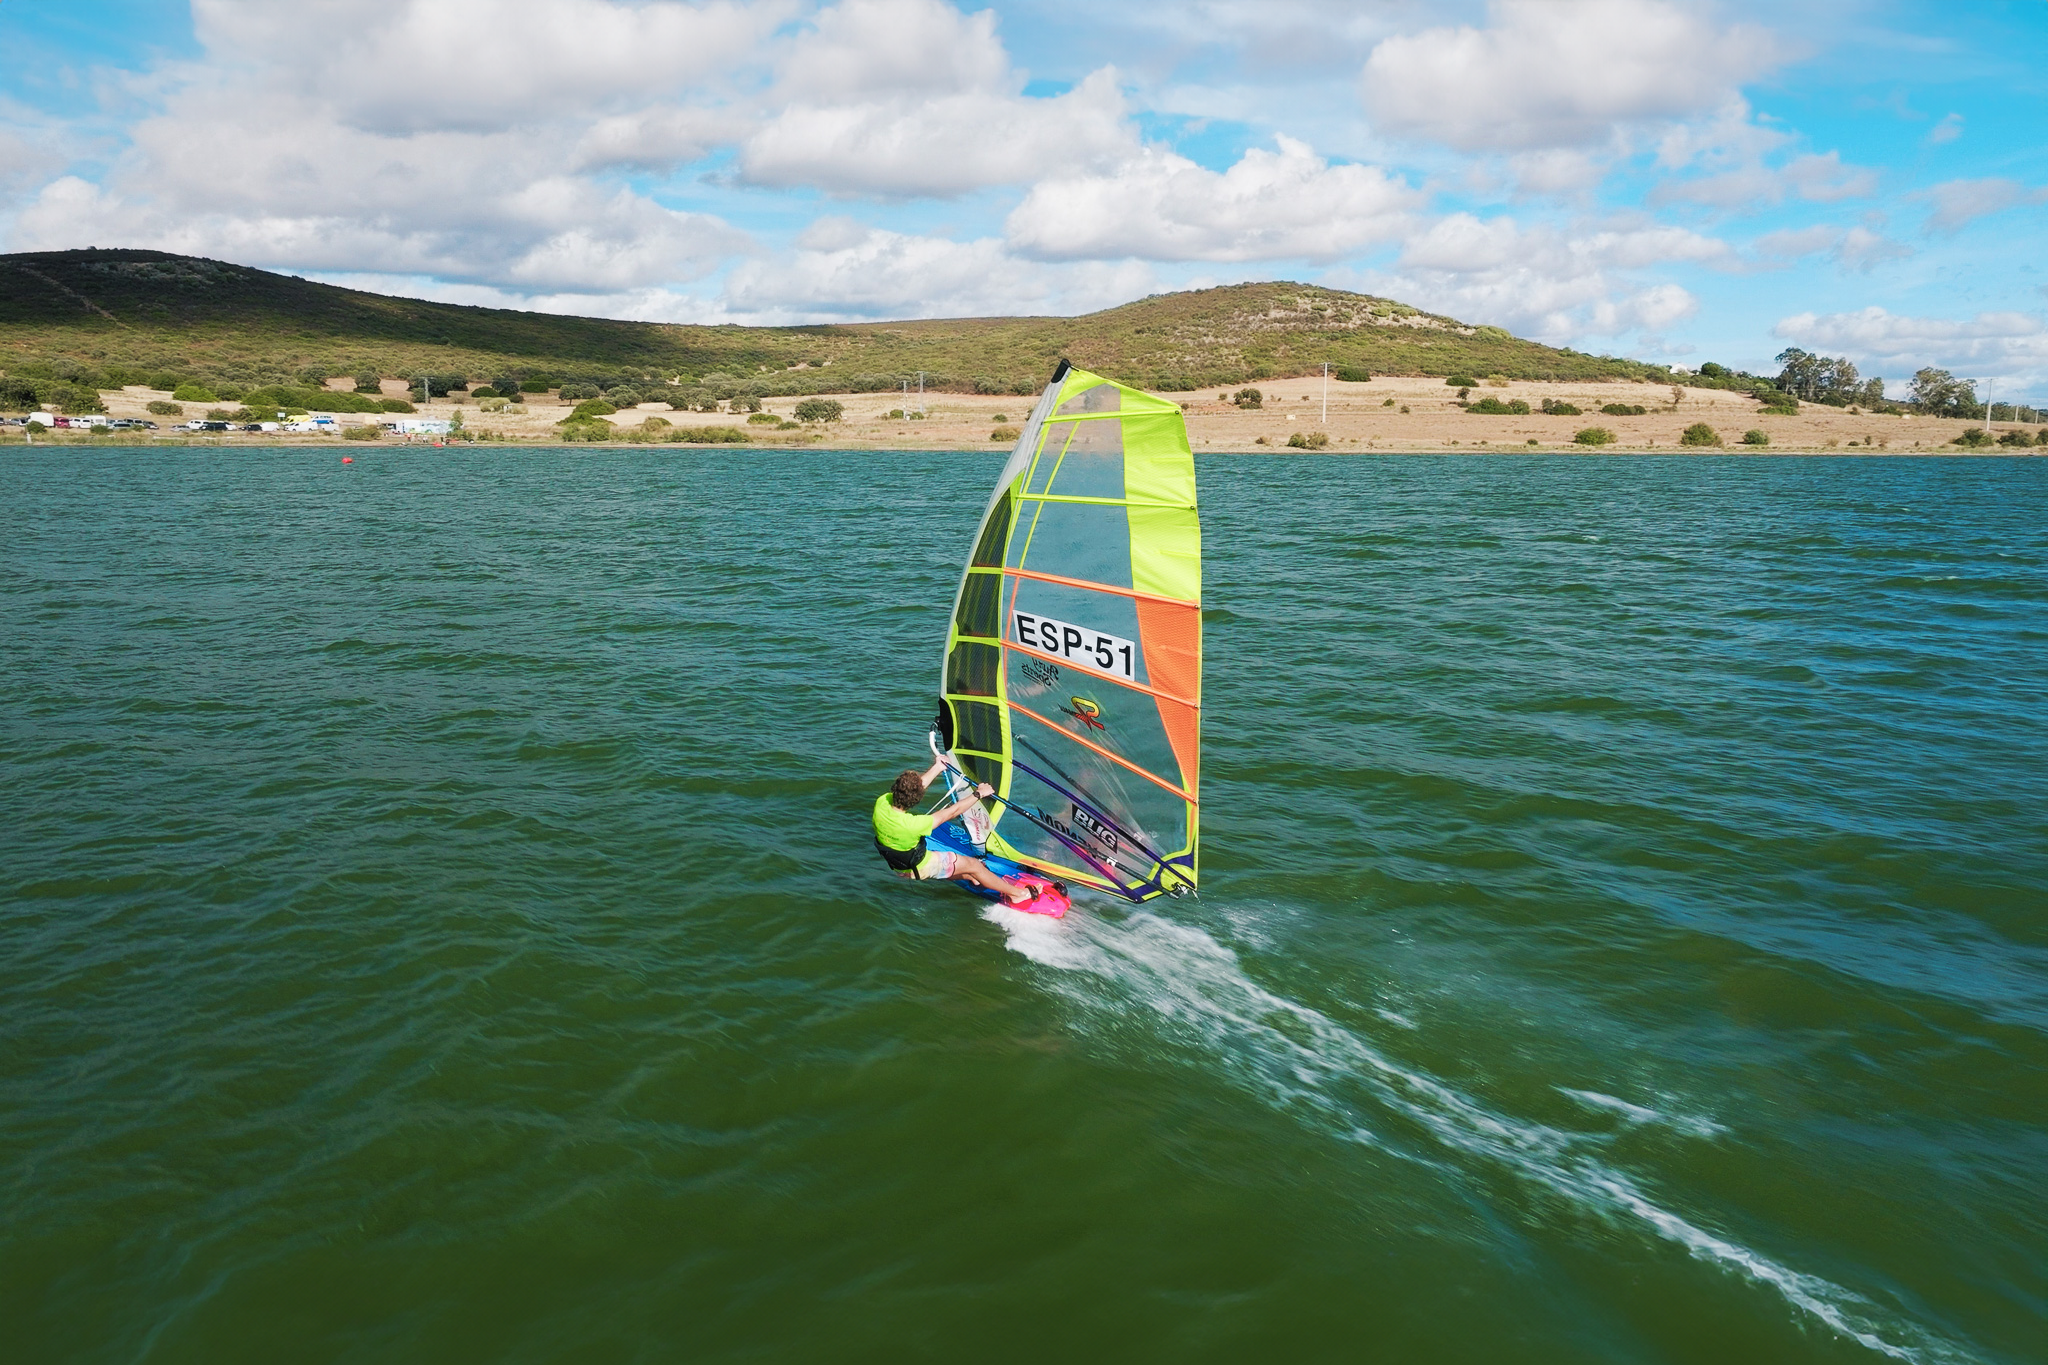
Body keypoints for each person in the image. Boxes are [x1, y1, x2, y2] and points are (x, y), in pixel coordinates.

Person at [873, 758, 1034, 905]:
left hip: (899, 866)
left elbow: (910, 790)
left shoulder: (882, 803)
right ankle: (1017, 894)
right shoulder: (915, 824)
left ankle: (973, 877)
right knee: (975, 865)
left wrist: (937, 767)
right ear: (916, 799)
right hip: (921, 867)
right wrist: (979, 793)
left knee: (967, 871)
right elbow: (953, 812)